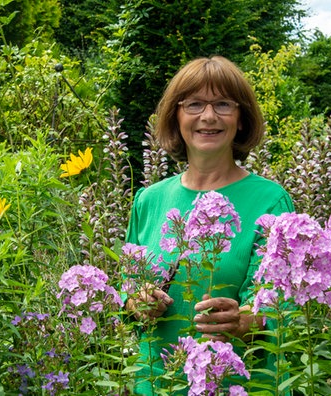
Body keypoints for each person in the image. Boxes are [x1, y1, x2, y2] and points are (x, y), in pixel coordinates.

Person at [124, 55, 295, 394]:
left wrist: (246, 320)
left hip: (240, 385)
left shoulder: (270, 202)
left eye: (223, 104)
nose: (208, 116)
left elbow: (280, 301)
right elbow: (127, 290)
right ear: (176, 117)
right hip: (159, 382)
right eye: (194, 104)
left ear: (241, 119)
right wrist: (138, 302)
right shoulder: (149, 201)